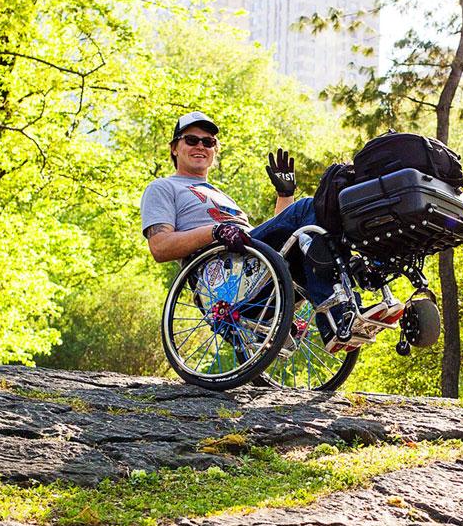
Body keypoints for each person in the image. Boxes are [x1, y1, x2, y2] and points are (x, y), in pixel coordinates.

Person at [141, 111, 361, 352]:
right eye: (191, 140)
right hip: (224, 278)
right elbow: (160, 247)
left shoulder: (220, 196)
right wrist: (215, 232)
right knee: (308, 207)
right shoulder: (163, 187)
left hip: (253, 267)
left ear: (215, 150)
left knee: (315, 235)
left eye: (208, 142)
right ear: (174, 148)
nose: (201, 146)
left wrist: (285, 195)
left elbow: (284, 238)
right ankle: (337, 318)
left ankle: (350, 305)